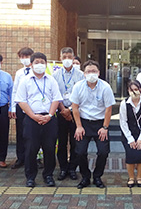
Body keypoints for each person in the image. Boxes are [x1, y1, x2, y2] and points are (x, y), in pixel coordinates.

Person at [15, 52, 63, 187]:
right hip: (31, 119)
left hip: (49, 119)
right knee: (31, 149)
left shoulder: (51, 80)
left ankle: (48, 175)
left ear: (46, 64)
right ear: (31, 65)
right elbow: (21, 101)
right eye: (36, 62)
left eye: (42, 62)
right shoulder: (25, 80)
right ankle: (30, 177)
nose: (39, 65)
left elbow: (56, 98)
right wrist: (34, 116)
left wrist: (49, 115)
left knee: (49, 148)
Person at [71, 60, 116, 189]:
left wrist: (105, 127)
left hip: (100, 123)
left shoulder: (105, 87)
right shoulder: (78, 86)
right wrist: (78, 126)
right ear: (84, 74)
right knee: (79, 152)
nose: (91, 74)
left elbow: (109, 109)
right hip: (83, 122)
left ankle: (97, 176)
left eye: (94, 71)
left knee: (103, 152)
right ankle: (85, 176)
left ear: (99, 73)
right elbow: (75, 107)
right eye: (89, 71)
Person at [52, 47, 84, 181]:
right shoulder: (55, 75)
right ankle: (63, 168)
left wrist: (70, 110)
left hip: (75, 112)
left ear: (73, 58)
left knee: (75, 142)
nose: (66, 59)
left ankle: (72, 168)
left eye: (69, 57)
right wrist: (63, 109)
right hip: (60, 111)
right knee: (62, 142)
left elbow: (82, 94)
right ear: (60, 58)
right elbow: (55, 94)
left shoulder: (80, 75)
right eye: (64, 57)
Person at [119, 80, 141, 188]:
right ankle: (131, 177)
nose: (134, 92)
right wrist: (130, 138)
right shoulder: (124, 103)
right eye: (131, 90)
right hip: (128, 133)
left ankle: (139, 177)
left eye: (136, 89)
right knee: (131, 154)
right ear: (128, 91)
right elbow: (123, 122)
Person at [10, 47, 34, 169]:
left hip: (33, 107)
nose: (25, 59)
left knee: (34, 133)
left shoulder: (37, 71)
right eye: (22, 57)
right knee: (20, 132)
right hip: (20, 106)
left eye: (27, 56)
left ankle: (36, 158)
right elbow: (15, 91)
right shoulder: (19, 73)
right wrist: (13, 108)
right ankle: (21, 157)